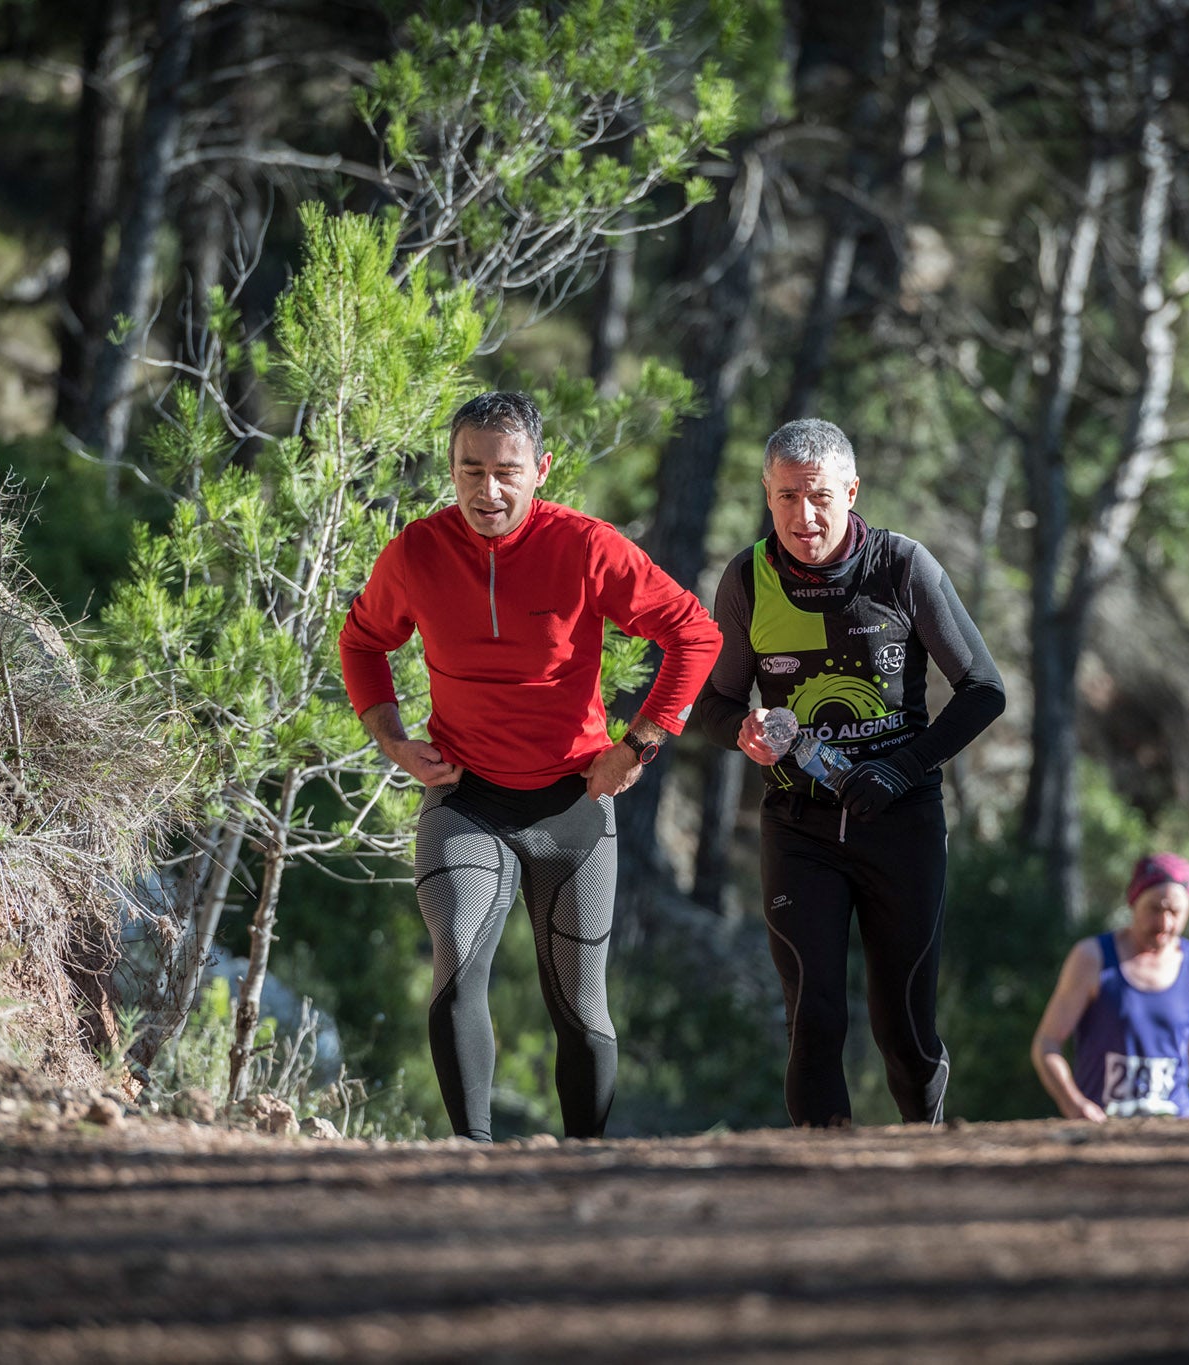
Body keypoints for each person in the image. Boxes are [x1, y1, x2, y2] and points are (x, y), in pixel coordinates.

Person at [337, 391, 721, 1142]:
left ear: (540, 469)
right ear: (450, 470)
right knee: (455, 960)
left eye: (507, 471)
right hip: (466, 797)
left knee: (580, 1006)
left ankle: (583, 1170)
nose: (488, 490)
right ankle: (472, 1162)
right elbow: (362, 642)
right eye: (470, 470)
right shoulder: (417, 552)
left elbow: (695, 633)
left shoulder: (585, 547)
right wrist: (389, 736)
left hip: (572, 804)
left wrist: (638, 744)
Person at [690, 418, 1005, 1127]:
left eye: (821, 495)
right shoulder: (747, 578)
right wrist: (742, 731)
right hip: (798, 827)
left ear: (852, 490)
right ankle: (820, 1179)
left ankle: (920, 1162)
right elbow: (710, 703)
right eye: (787, 496)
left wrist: (900, 769)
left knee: (904, 1028)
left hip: (902, 823)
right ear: (766, 495)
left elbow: (985, 688)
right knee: (816, 1016)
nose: (805, 515)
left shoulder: (901, 566)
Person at [1031, 853, 1189, 1120]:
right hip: (1104, 1126)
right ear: (1133, 901)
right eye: (1155, 909)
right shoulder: (1092, 958)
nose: (1165, 924)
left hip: (1177, 1126)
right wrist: (1075, 1105)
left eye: (1175, 912)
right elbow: (1047, 1042)